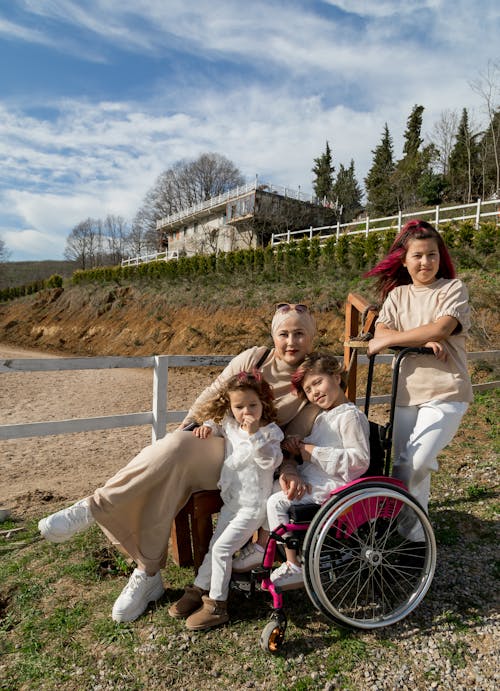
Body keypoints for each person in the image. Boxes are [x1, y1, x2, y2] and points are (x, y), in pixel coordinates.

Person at [38, 302, 319, 622]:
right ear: (273, 335)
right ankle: (145, 570)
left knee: (173, 454)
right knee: (172, 454)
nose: (291, 341)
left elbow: (292, 445)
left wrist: (289, 469)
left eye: (300, 334)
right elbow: (213, 396)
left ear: (312, 338)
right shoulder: (254, 358)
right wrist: (186, 427)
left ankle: (99, 517)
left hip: (251, 463)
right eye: (284, 333)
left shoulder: (311, 383)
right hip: (218, 441)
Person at [365, 219, 473, 541]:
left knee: (419, 459)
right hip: (406, 392)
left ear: (440, 257)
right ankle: (414, 539)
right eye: (418, 256)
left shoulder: (453, 289)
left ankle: (404, 531)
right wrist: (418, 340)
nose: (425, 262)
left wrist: (396, 339)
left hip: (446, 391)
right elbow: (381, 330)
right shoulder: (397, 296)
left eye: (432, 255)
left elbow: (440, 329)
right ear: (404, 259)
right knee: (403, 464)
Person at [170, 370, 283, 630]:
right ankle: (199, 588)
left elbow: (271, 461)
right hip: (232, 502)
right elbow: (216, 423)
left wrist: (255, 434)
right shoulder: (231, 424)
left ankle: (217, 605)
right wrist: (207, 428)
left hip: (253, 507)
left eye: (252, 405)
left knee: (223, 550)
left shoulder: (270, 432)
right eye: (239, 406)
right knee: (215, 546)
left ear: (263, 403)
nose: (246, 412)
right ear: (230, 406)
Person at [265, 351, 370, 590]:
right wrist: (297, 446)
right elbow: (313, 447)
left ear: (335, 376)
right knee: (270, 489)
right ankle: (277, 551)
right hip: (317, 478)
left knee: (276, 503)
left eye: (317, 382)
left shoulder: (350, 417)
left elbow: (359, 461)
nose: (315, 392)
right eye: (309, 390)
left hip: (335, 487)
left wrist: (310, 450)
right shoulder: (325, 417)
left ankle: (295, 566)